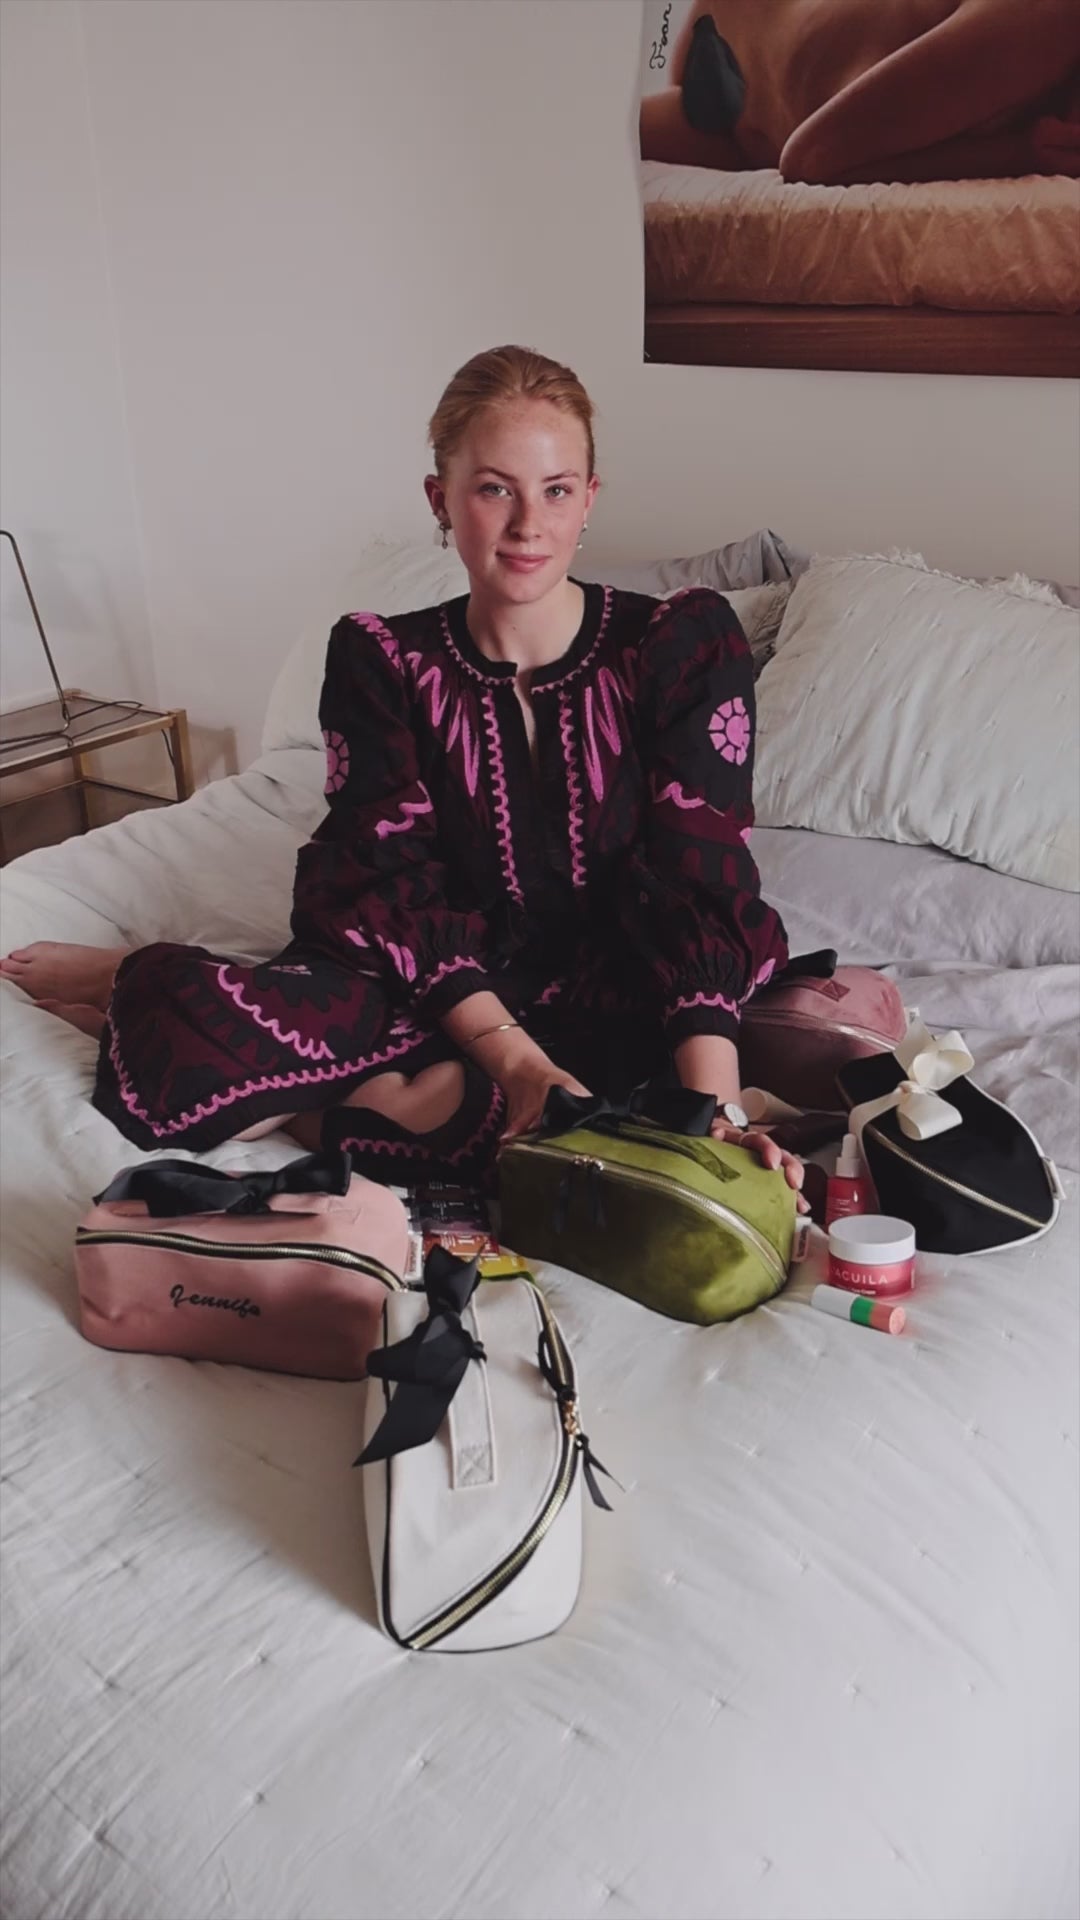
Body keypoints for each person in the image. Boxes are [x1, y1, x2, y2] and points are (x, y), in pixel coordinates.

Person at [1, 346, 806, 1208]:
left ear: (589, 502)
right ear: (441, 501)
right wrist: (517, 1061)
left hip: (618, 987)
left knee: (621, 1118)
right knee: (190, 1021)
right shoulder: (382, 659)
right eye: (495, 488)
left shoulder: (682, 645)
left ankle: (359, 1107)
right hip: (430, 981)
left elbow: (701, 877)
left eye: (557, 489)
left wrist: (712, 1112)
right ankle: (135, 979)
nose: (529, 523)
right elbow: (381, 881)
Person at [640, 0, 1080, 185]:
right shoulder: (1050, 17)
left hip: (747, 122)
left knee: (588, 135)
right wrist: (1015, 155)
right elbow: (810, 159)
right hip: (740, 41)